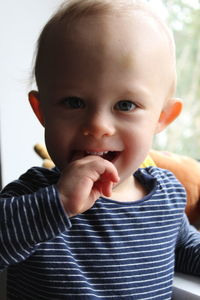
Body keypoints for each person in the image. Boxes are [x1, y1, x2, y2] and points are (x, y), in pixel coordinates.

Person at [0, 0, 200, 299]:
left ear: (161, 118)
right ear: (42, 111)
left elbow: (185, 249)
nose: (97, 126)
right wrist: (59, 203)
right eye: (73, 102)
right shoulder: (32, 196)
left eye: (125, 105)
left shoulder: (168, 196)